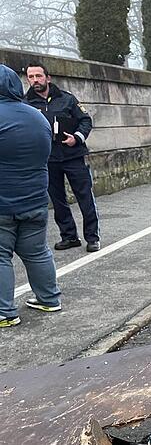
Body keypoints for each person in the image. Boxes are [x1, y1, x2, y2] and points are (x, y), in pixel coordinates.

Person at [0, 64, 63, 327]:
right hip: (35, 199)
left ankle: (5, 312)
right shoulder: (37, 116)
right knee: (37, 251)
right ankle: (49, 299)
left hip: (3, 202)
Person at [24, 63, 100, 252]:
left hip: (73, 156)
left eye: (38, 76)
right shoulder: (25, 104)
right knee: (58, 201)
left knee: (85, 197)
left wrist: (77, 138)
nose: (35, 80)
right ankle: (69, 236)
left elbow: (85, 120)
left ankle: (92, 237)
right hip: (47, 159)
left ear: (47, 78)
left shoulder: (67, 99)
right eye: (31, 77)